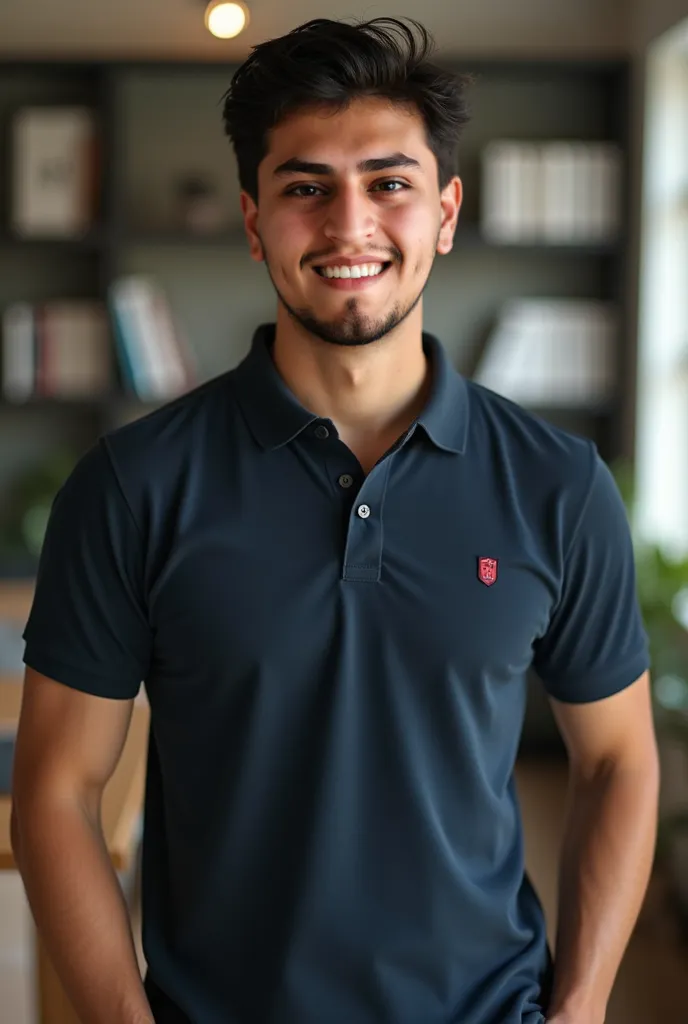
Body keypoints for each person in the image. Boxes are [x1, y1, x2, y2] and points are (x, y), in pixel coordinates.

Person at [10, 16, 659, 1024]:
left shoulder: (558, 485)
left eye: (389, 183)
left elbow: (617, 758)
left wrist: (576, 1010)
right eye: (305, 188)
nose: (349, 224)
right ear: (254, 219)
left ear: (445, 212)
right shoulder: (132, 485)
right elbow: (55, 789)